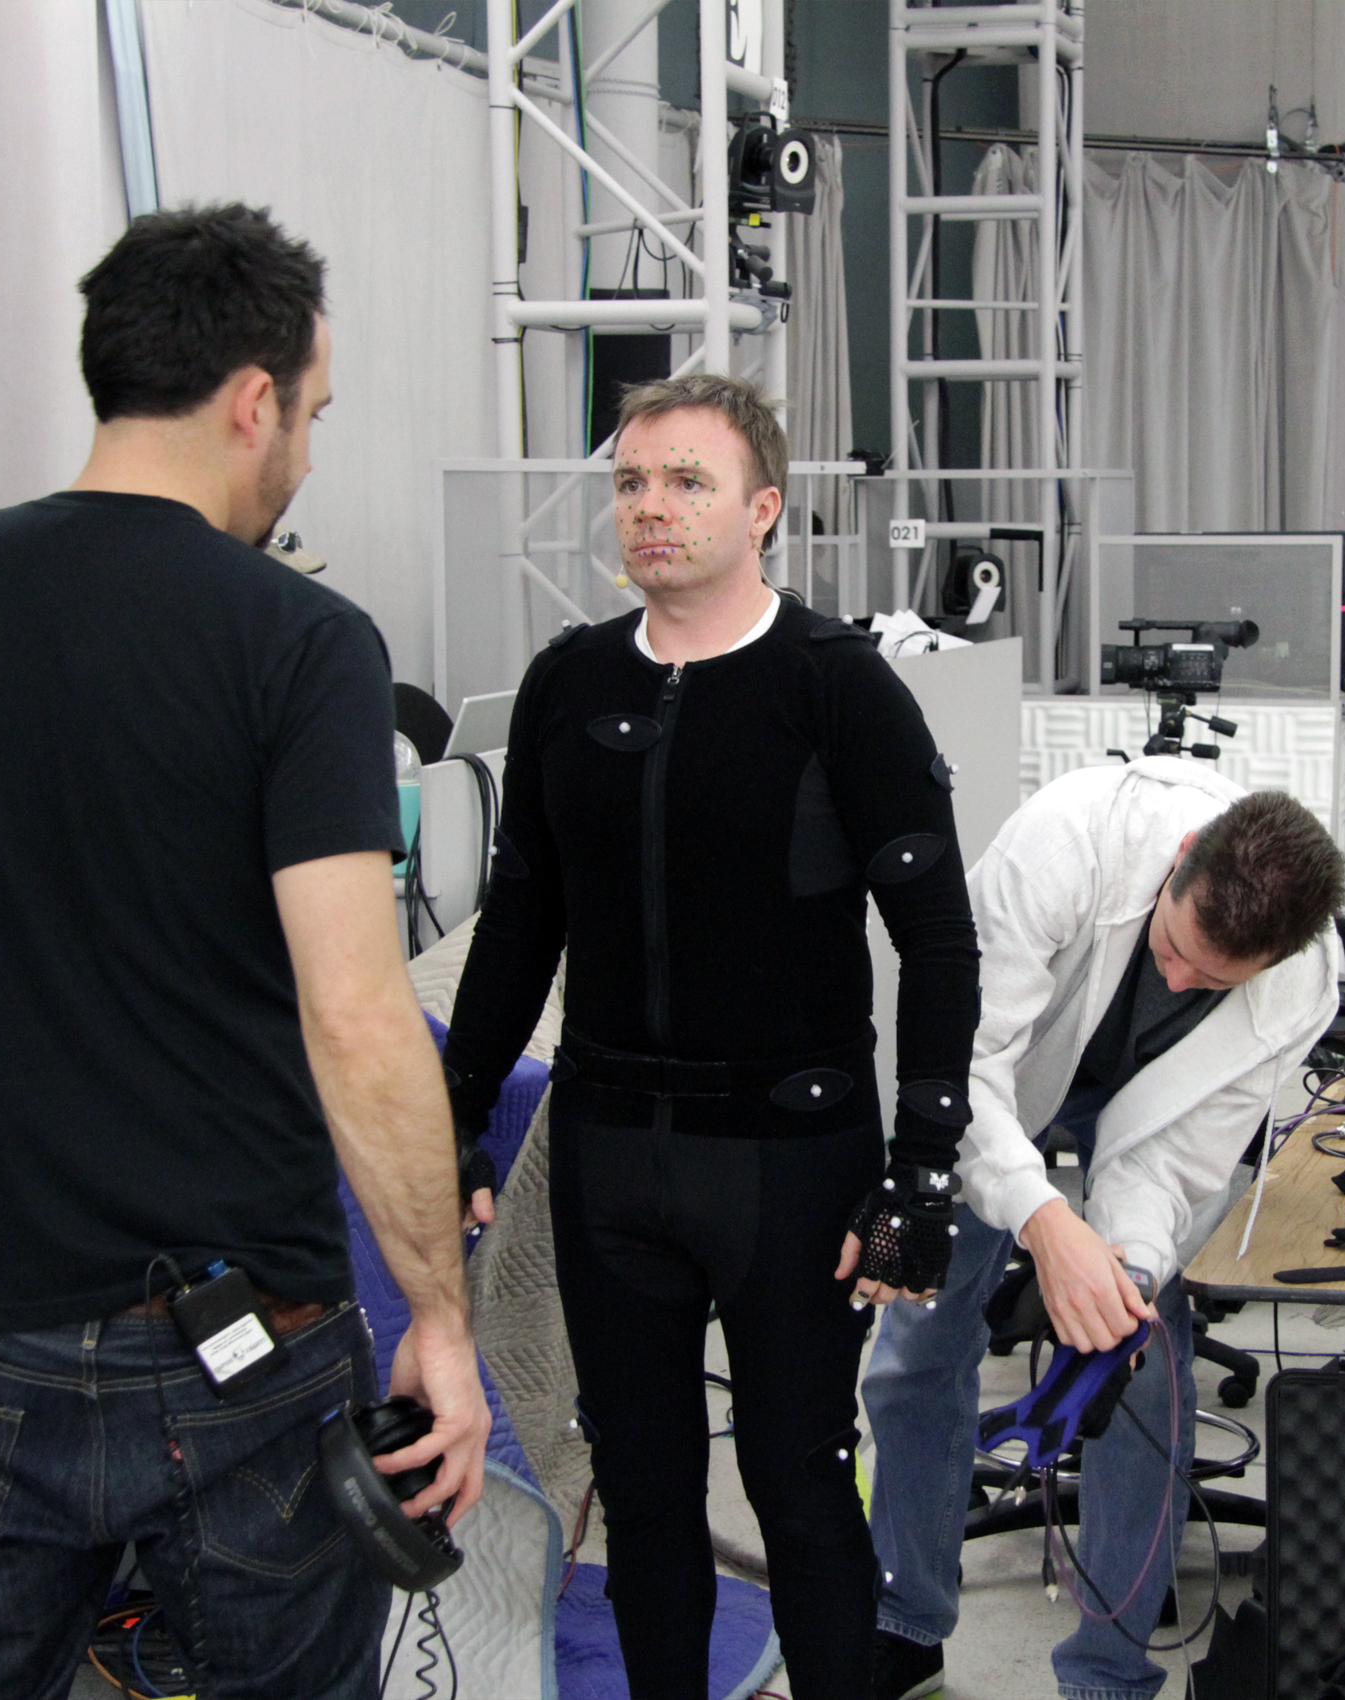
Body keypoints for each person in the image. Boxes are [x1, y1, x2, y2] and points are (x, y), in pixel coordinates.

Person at [0, 203, 488, 1698]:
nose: (306, 451)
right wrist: (439, 1320)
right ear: (252, 401)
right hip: (243, 1333)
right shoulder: (302, 641)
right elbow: (355, 1014)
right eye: (312, 414)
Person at [438, 373, 981, 1698]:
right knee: (640, 1490)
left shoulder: (835, 686)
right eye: (631, 481)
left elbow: (939, 938)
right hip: (611, 1149)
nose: (652, 507)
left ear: (763, 509)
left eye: (687, 481)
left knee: (800, 1481)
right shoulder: (568, 681)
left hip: (792, 1158)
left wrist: (921, 1167)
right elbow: (520, 921)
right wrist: (451, 1112)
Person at [864, 761, 1344, 1700]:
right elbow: (963, 1066)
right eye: (1175, 947)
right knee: (920, 1343)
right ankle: (905, 1620)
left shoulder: (1302, 985)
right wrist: (1046, 1223)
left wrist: (1123, 1271)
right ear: (1180, 860)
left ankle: (1109, 1677)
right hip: (1003, 1087)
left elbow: (1173, 1161)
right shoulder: (1064, 848)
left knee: (1143, 1366)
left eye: (1212, 981)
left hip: (1146, 1120)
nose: (1179, 978)